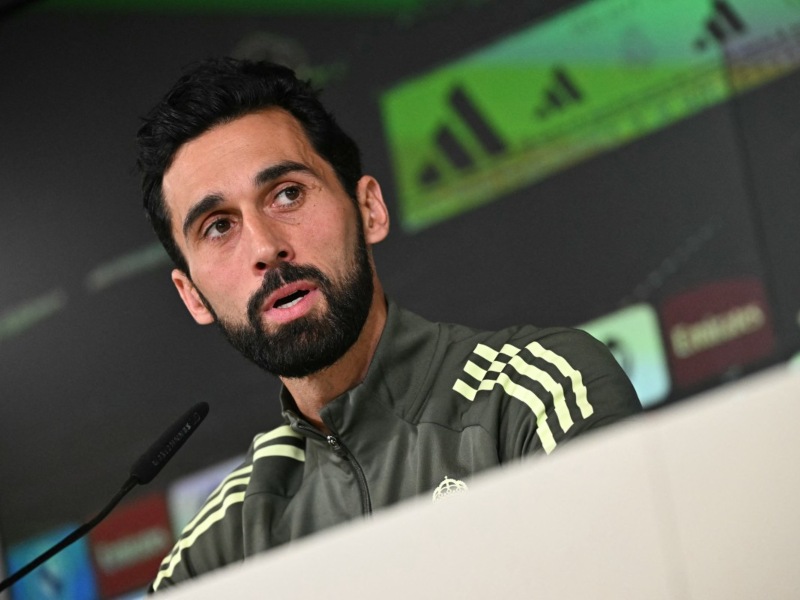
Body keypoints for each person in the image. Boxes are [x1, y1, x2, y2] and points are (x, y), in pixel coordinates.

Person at [136, 57, 641, 592]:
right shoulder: (219, 551)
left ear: (369, 209)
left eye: (287, 194)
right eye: (218, 227)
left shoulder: (535, 394)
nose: (265, 246)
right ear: (192, 296)